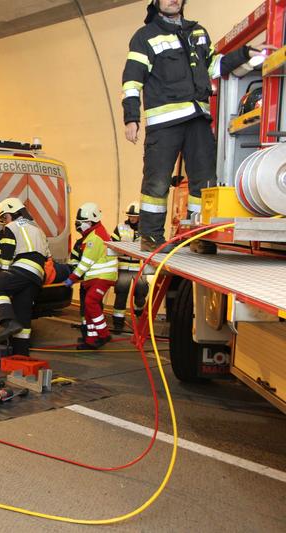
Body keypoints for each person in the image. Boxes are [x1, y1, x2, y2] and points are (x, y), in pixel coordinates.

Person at [122, 0, 268, 251]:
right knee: (157, 181)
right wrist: (131, 117)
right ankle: (151, 236)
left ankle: (197, 235)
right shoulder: (145, 36)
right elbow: (132, 80)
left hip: (198, 117)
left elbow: (213, 66)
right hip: (164, 122)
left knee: (205, 181)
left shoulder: (197, 32)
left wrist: (245, 53)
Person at [0, 198, 51, 356]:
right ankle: (21, 355)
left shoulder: (11, 227)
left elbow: (7, 254)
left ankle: (7, 323)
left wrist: (1, 274)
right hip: (37, 275)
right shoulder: (38, 229)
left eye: (4, 217)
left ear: (11, 213)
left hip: (22, 268)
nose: (5, 221)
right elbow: (48, 256)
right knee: (23, 315)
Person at [64, 202, 118, 349]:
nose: (78, 226)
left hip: (102, 277)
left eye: (80, 223)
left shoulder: (94, 238)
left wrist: (71, 278)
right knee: (89, 309)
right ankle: (91, 340)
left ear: (90, 222)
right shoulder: (94, 234)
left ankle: (104, 334)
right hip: (96, 277)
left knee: (90, 302)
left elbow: (85, 263)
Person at [110, 202, 149, 330]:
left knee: (140, 295)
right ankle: (118, 323)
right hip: (124, 267)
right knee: (121, 295)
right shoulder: (121, 228)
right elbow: (112, 244)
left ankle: (140, 319)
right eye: (130, 216)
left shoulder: (146, 230)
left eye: (134, 216)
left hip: (140, 268)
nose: (132, 218)